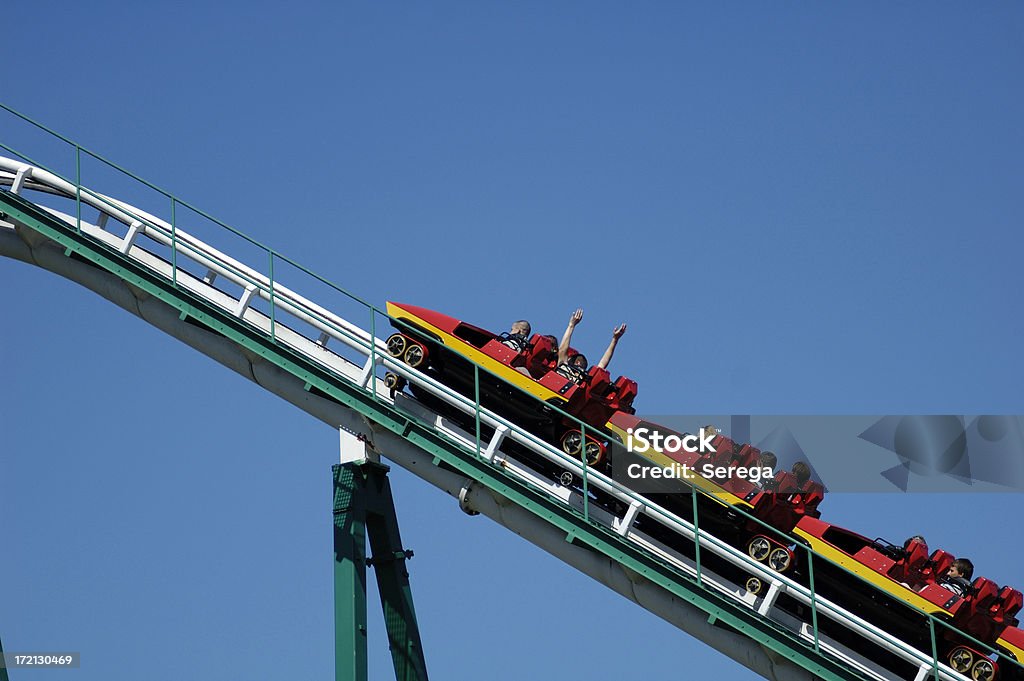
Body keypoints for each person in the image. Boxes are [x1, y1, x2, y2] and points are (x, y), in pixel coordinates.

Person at [555, 308, 627, 383]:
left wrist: (615, 339)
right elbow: (563, 350)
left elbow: (602, 364)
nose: (579, 362)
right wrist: (571, 325)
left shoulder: (583, 379)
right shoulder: (567, 370)